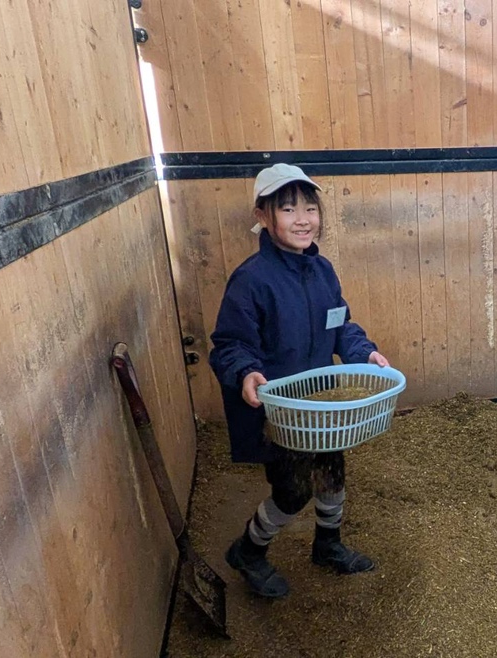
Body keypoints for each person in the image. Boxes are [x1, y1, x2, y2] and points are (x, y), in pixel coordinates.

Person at [209, 163, 389, 598]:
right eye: (288, 209)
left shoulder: (322, 271)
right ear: (263, 215)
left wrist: (363, 352)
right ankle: (249, 550)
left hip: (320, 404)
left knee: (332, 475)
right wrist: (246, 372)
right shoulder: (252, 280)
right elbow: (230, 343)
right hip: (279, 412)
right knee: (292, 492)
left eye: (310, 208)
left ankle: (327, 545)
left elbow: (340, 325)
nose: (303, 219)